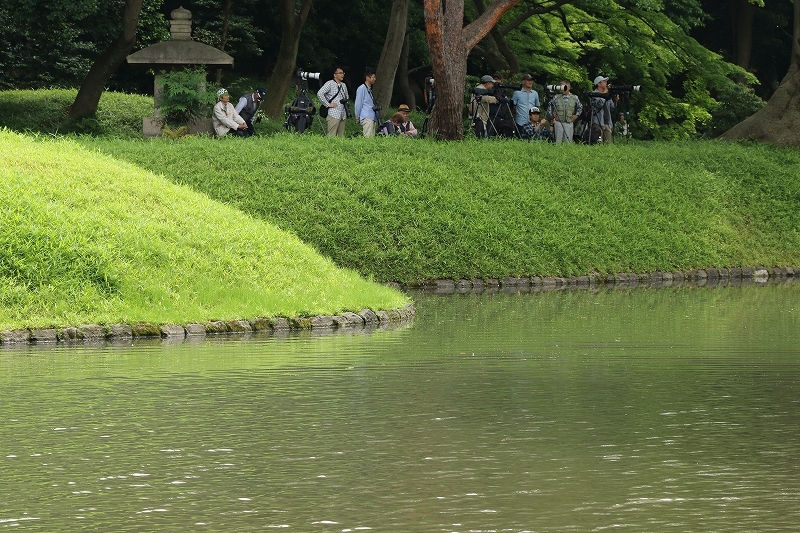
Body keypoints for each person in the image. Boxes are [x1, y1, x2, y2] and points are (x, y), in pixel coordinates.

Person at [317, 67, 350, 137]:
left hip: (343, 114)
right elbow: (320, 93)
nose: (342, 75)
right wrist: (328, 104)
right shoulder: (330, 83)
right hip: (333, 113)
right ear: (335, 75)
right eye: (340, 73)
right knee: (331, 135)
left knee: (340, 136)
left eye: (343, 73)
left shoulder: (343, 85)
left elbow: (347, 97)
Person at [589, 75, 618, 143]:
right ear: (599, 84)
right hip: (597, 122)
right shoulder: (593, 94)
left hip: (607, 123)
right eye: (604, 81)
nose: (606, 83)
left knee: (609, 144)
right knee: (598, 143)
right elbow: (599, 105)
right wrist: (605, 93)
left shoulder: (607, 94)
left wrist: (616, 101)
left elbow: (612, 108)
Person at [355, 68, 379, 137]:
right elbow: (358, 103)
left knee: (371, 139)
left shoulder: (369, 89)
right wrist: (357, 116)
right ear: (367, 78)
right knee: (368, 138)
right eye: (373, 77)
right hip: (367, 117)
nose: (375, 79)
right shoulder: (362, 88)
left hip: (372, 117)